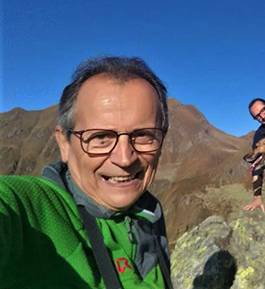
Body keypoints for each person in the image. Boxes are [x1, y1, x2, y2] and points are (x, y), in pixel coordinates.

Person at [0, 56, 173, 288]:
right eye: (100, 137)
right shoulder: (31, 213)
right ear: (64, 144)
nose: (124, 159)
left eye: (143, 135)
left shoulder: (150, 211)